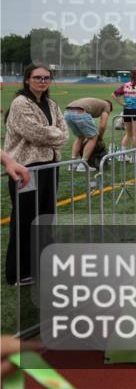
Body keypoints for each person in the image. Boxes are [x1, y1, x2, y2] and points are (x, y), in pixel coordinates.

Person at [4, 64, 68, 285]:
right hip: (25, 169)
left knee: (45, 217)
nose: (43, 81)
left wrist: (53, 134)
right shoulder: (20, 103)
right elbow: (34, 132)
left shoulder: (51, 103)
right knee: (25, 220)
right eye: (38, 77)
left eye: (47, 78)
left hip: (50, 166)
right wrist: (54, 133)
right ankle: (19, 272)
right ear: (27, 79)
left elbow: (64, 133)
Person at [63, 97, 111, 171]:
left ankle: (73, 164)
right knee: (93, 138)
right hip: (80, 112)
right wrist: (99, 137)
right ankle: (83, 164)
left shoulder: (97, 103)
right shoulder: (107, 106)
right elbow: (103, 125)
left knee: (80, 137)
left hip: (67, 113)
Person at [113, 69, 136, 159]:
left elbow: (114, 94)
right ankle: (134, 156)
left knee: (128, 133)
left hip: (127, 110)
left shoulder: (125, 85)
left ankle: (123, 155)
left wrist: (122, 104)